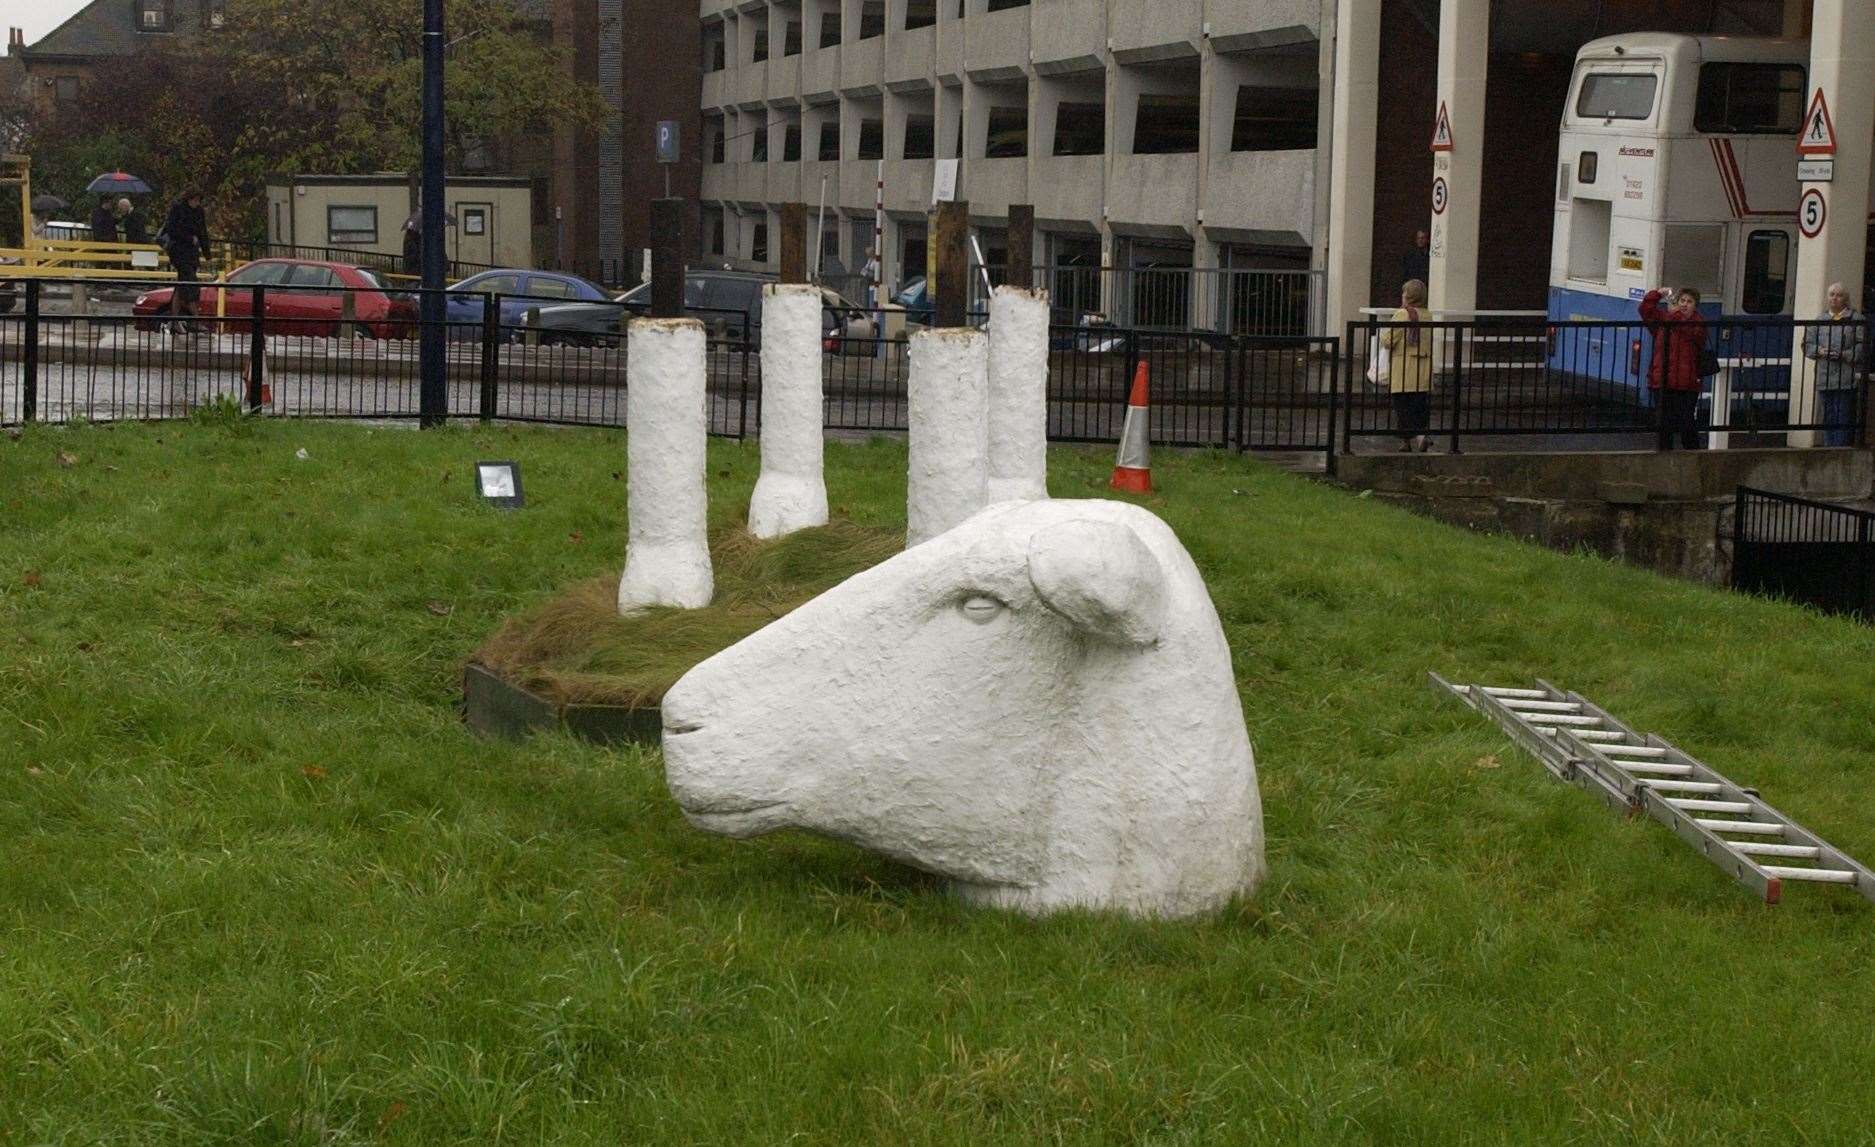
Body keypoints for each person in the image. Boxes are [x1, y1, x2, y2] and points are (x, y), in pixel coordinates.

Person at [1638, 286, 1708, 450]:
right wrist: (1656, 295)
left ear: (1695, 306)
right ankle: (1664, 461)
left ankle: (1694, 459)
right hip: (1662, 380)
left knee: (1687, 424)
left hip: (1687, 382)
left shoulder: (1698, 324)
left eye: (1689, 302)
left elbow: (1688, 331)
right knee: (1664, 426)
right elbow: (1645, 310)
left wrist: (1674, 313)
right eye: (1681, 300)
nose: (1684, 305)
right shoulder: (1666, 319)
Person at [1802, 282, 1863, 447]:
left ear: (1845, 299)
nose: (1834, 298)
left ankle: (1841, 450)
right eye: (1831, 295)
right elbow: (1807, 344)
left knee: (1843, 415)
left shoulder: (1856, 319)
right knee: (1828, 416)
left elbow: (1862, 345)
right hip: (1825, 376)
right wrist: (1820, 351)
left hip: (1846, 376)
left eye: (1839, 295)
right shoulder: (1820, 319)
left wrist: (1845, 355)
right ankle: (1829, 449)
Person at [1379, 279, 1435, 452]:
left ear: (1409, 296)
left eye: (1404, 293)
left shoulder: (1402, 314)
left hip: (1404, 368)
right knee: (1419, 405)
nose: (1402, 296)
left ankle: (1410, 440)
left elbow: (1388, 340)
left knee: (1402, 406)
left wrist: (1383, 332)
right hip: (1423, 368)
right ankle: (1418, 438)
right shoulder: (1427, 314)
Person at [161, 188, 211, 332]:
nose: (196, 203)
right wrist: (189, 238)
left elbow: (203, 231)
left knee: (182, 285)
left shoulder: (199, 211)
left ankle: (175, 320)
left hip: (192, 253)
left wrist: (207, 253)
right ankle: (195, 319)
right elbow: (171, 229)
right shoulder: (178, 208)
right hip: (179, 250)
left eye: (198, 200)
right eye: (194, 200)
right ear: (188, 199)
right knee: (190, 283)